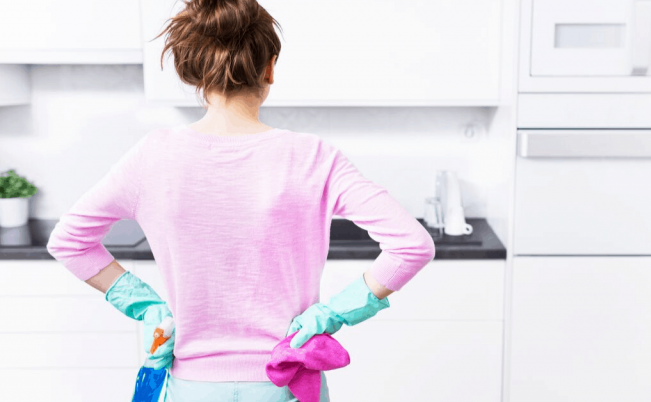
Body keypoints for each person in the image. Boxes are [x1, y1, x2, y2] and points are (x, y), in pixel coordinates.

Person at [45, 0, 436, 401]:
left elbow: (68, 241)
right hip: (285, 382)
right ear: (269, 67)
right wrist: (333, 314)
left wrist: (146, 307)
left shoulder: (152, 156)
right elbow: (412, 245)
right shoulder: (312, 157)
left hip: (192, 387)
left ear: (194, 71)